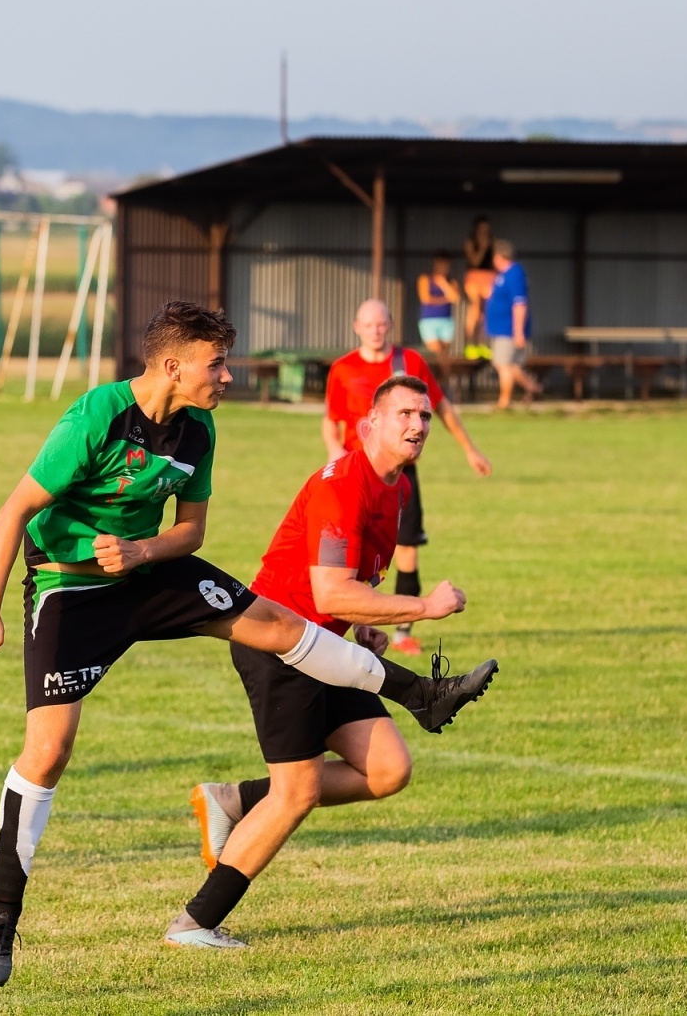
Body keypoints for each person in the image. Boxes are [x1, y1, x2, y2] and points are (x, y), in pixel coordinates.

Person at [0, 301, 498, 987]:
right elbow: (15, 510)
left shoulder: (198, 431)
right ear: (173, 364)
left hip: (148, 567)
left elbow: (190, 534)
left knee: (274, 623)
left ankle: (420, 695)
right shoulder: (96, 417)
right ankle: (1, 920)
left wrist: (141, 550)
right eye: (217, 364)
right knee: (49, 750)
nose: (228, 376)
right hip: (70, 586)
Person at [173, 374, 490, 948]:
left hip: (328, 649)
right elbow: (328, 593)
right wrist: (423, 607)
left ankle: (232, 800)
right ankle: (194, 923)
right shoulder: (343, 485)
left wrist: (366, 622)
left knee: (389, 768)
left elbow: (357, 580)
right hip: (278, 646)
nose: (418, 425)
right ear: (369, 424)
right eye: (404, 415)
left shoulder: (393, 487)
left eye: (423, 416)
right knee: (296, 793)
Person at [323, 299, 490, 656]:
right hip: (358, 471)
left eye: (382, 324)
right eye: (369, 325)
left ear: (391, 325)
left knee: (406, 552)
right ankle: (356, 621)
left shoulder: (409, 363)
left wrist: (469, 449)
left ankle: (402, 631)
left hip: (401, 475)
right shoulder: (343, 369)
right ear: (357, 327)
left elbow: (440, 407)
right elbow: (330, 418)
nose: (376, 331)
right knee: (356, 556)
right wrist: (334, 449)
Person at [485, 239, 543, 409]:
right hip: (500, 328)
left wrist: (518, 331)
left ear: (499, 256)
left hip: (508, 329)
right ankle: (534, 388)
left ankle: (504, 402)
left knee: (504, 365)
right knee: (513, 366)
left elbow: (520, 304)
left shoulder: (515, 274)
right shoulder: (503, 275)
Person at [415, 251, 461, 357]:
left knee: (444, 355)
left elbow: (455, 298)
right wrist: (446, 299)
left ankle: (444, 374)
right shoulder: (425, 278)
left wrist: (443, 283)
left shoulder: (451, 281)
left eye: (446, 265)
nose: (444, 267)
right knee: (436, 352)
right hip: (429, 321)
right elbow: (425, 299)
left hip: (446, 321)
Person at [462, 216, 496, 353]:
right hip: (474, 276)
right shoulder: (470, 242)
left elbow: (494, 263)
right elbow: (474, 261)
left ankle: (481, 344)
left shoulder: (492, 241)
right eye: (482, 229)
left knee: (486, 312)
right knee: (475, 309)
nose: (484, 232)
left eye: (486, 229)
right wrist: (482, 247)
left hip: (489, 277)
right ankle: (469, 344)